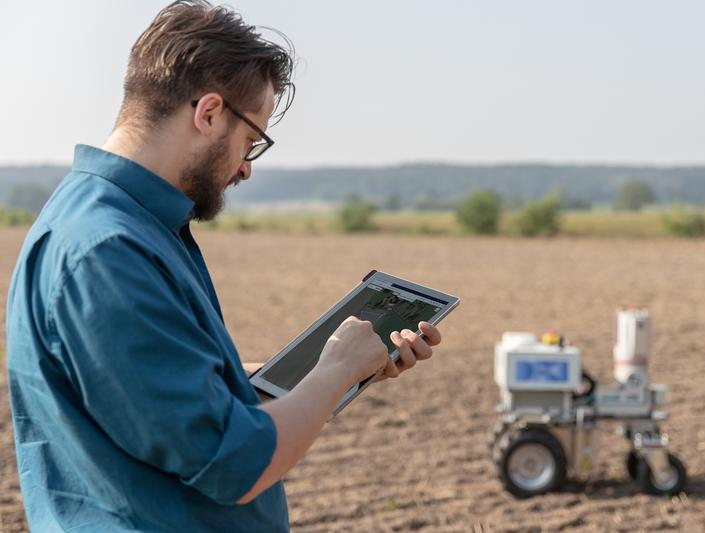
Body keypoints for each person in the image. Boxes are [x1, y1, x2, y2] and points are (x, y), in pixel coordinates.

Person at [5, 2, 442, 531]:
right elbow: (234, 461)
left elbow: (175, 402)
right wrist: (334, 372)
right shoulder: (106, 251)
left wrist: (337, 367)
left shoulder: (129, 227)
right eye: (251, 140)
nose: (246, 167)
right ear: (209, 113)